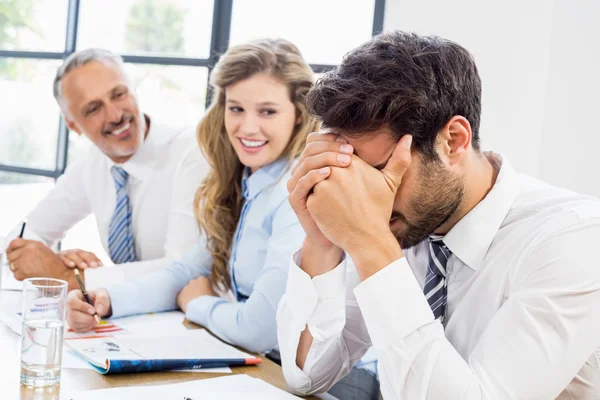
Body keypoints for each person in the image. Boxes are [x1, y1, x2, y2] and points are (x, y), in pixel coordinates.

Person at [278, 31, 600, 399]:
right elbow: (307, 377)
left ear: (453, 141)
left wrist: (372, 245)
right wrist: (321, 239)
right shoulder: (403, 225)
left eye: (381, 171)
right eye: (352, 177)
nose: (366, 199)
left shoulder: (575, 241)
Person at [65, 39, 320, 355]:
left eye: (267, 111)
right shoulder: (246, 181)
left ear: (298, 113)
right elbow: (185, 271)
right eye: (236, 108)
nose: (248, 128)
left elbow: (259, 330)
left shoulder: (297, 193)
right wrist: (105, 299)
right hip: (266, 368)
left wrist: (198, 303)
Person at [3, 48, 207, 291]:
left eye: (119, 94)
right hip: (130, 317)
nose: (115, 115)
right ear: (73, 125)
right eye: (93, 109)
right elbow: (26, 234)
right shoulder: (94, 164)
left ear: (134, 91)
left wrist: (74, 279)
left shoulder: (193, 153)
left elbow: (185, 269)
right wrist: (55, 262)